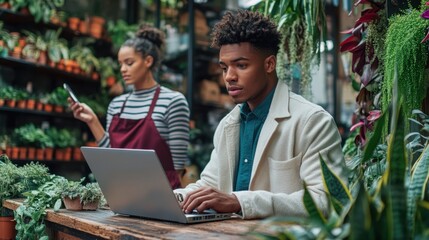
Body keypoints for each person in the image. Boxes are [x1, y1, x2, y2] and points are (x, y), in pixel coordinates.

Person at [174, 9, 348, 219]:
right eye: (224, 67)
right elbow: (209, 186)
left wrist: (240, 202)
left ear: (269, 64)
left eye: (241, 65)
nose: (229, 77)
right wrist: (171, 198)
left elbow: (329, 201)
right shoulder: (228, 124)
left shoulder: (313, 122)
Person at [69, 24, 190, 189]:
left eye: (129, 63)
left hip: (161, 195)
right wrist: (92, 121)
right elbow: (111, 156)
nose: (123, 69)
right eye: (121, 64)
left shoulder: (173, 102)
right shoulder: (116, 105)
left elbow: (178, 168)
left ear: (148, 61)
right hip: (122, 191)